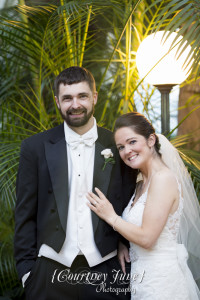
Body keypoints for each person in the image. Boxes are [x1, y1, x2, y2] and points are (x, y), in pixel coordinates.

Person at [14, 67, 137, 300]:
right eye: (67, 98)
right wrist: (27, 273)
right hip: (49, 271)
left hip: (106, 269)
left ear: (94, 97)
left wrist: (123, 243)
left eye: (82, 96)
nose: (75, 104)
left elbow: (130, 201)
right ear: (57, 102)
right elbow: (24, 214)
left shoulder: (118, 145)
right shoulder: (35, 147)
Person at [87, 112, 200, 299]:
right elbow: (137, 229)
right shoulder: (141, 183)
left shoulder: (163, 179)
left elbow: (148, 238)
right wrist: (124, 245)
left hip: (162, 283)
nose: (126, 151)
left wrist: (110, 216)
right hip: (142, 280)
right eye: (121, 147)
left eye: (132, 142)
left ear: (151, 140)